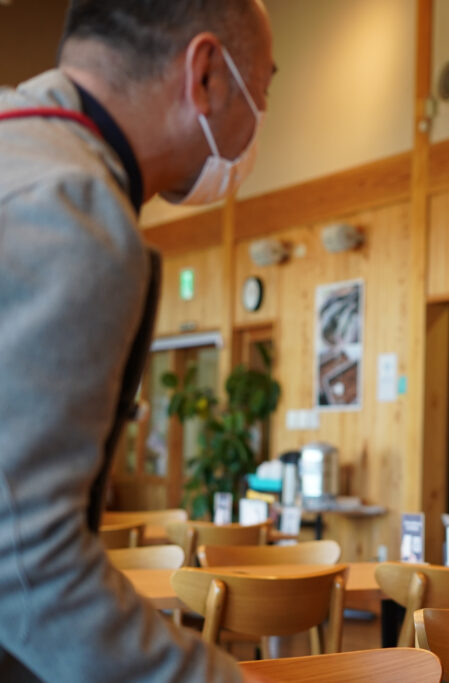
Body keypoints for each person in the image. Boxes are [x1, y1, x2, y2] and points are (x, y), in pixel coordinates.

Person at [0, 1, 275, 680]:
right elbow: (28, 568)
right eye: (262, 94)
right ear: (205, 74)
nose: (260, 126)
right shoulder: (73, 213)